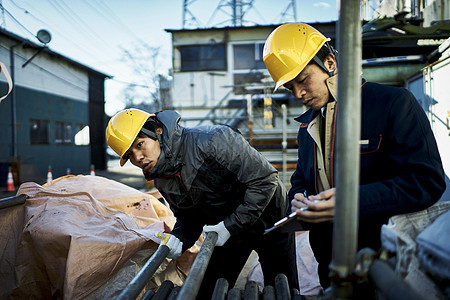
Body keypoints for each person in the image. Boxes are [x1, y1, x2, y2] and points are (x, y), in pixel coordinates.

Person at [263, 22, 446, 289]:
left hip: (385, 260)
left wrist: (350, 202)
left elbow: (427, 182)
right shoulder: (307, 127)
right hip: (329, 261)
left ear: (330, 62)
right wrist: (298, 199)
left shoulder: (393, 104)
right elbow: (301, 179)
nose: (299, 93)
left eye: (303, 80)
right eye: (291, 87)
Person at [105, 108, 298, 299]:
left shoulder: (212, 140)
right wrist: (178, 238)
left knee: (282, 287)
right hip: (226, 229)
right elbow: (189, 217)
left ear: (158, 132)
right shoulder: (161, 179)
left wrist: (230, 225)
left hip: (270, 220)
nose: (137, 158)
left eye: (140, 144)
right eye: (130, 155)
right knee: (209, 289)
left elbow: (264, 181)